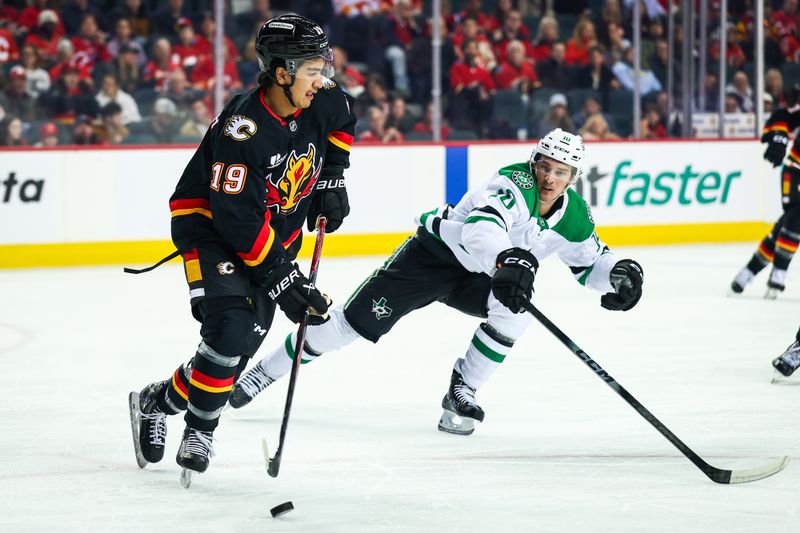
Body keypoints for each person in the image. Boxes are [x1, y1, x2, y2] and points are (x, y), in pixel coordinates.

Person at [228, 128, 644, 437]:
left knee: (515, 312)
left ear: (573, 177)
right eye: (545, 166)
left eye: (561, 172)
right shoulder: (512, 183)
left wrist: (618, 276)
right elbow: (480, 229)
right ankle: (263, 373)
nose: (549, 178)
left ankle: (463, 390)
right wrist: (507, 258)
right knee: (343, 329)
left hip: (484, 276)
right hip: (433, 258)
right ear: (534, 162)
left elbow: (591, 262)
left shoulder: (573, 215)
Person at [128, 14, 356, 483]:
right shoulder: (244, 130)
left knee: (234, 352)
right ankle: (200, 429)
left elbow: (343, 120)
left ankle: (156, 401)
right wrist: (284, 278)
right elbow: (236, 219)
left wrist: (333, 176)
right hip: (213, 229)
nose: (323, 80)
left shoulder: (320, 98)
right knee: (230, 328)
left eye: (322, 68)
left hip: (271, 234)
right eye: (313, 70)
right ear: (281, 72)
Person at [730, 103, 800, 298]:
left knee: (786, 224)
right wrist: (779, 136)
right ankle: (780, 270)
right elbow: (783, 115)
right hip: (796, 171)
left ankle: (750, 270)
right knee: (797, 214)